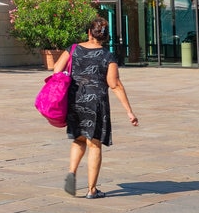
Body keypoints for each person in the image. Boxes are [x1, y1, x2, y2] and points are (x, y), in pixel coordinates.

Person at [52, 16, 138, 199]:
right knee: (94, 144)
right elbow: (114, 85)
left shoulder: (73, 49)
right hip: (96, 102)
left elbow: (56, 70)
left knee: (79, 139)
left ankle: (72, 172)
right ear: (105, 36)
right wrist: (129, 111)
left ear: (89, 32)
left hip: (75, 100)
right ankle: (92, 190)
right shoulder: (108, 56)